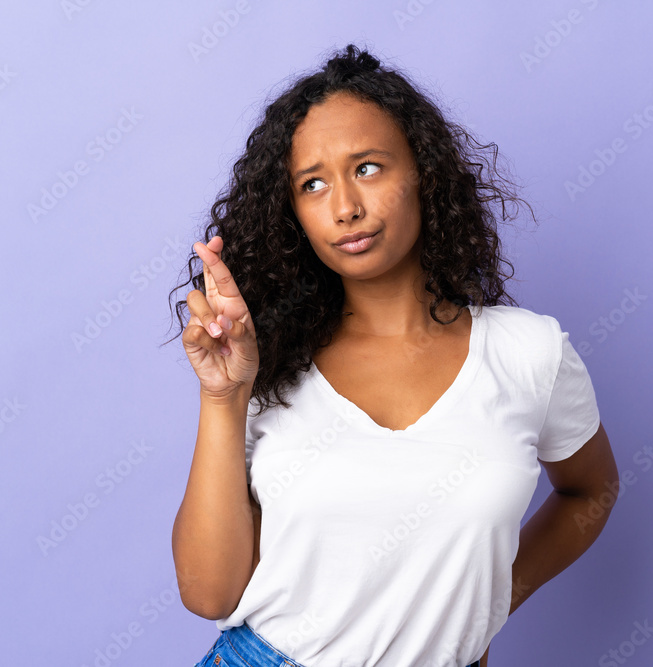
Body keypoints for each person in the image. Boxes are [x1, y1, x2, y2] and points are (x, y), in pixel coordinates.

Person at [168, 43, 619, 667]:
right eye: (313, 183)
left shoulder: (529, 353)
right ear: (293, 211)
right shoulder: (267, 364)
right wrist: (223, 396)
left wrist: (485, 605)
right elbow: (208, 593)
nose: (346, 207)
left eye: (369, 167)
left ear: (423, 175)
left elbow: (590, 490)